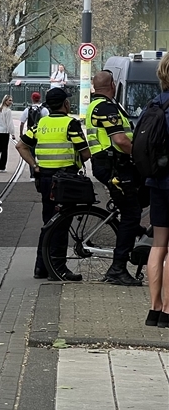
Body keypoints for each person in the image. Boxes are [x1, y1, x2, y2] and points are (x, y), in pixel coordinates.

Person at [15, 87, 91, 281]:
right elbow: (85, 153)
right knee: (62, 223)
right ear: (66, 104)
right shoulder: (71, 124)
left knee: (48, 222)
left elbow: (21, 145)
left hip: (45, 179)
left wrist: (35, 166)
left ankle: (41, 266)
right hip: (65, 181)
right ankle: (58, 268)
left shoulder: (41, 124)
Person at [85, 70, 146, 286]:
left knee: (138, 201)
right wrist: (142, 157)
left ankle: (140, 234)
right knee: (132, 214)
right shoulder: (106, 108)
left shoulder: (95, 105)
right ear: (112, 85)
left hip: (109, 166)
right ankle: (118, 268)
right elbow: (120, 140)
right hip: (115, 167)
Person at [145, 54, 169, 328]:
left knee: (158, 246)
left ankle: (154, 309)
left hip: (156, 182)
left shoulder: (154, 104)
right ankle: (168, 312)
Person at [0, 95, 15, 173]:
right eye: (10, 100)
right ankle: (2, 167)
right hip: (4, 132)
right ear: (5, 101)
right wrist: (13, 133)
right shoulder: (8, 111)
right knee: (4, 150)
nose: (11, 102)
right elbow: (9, 123)